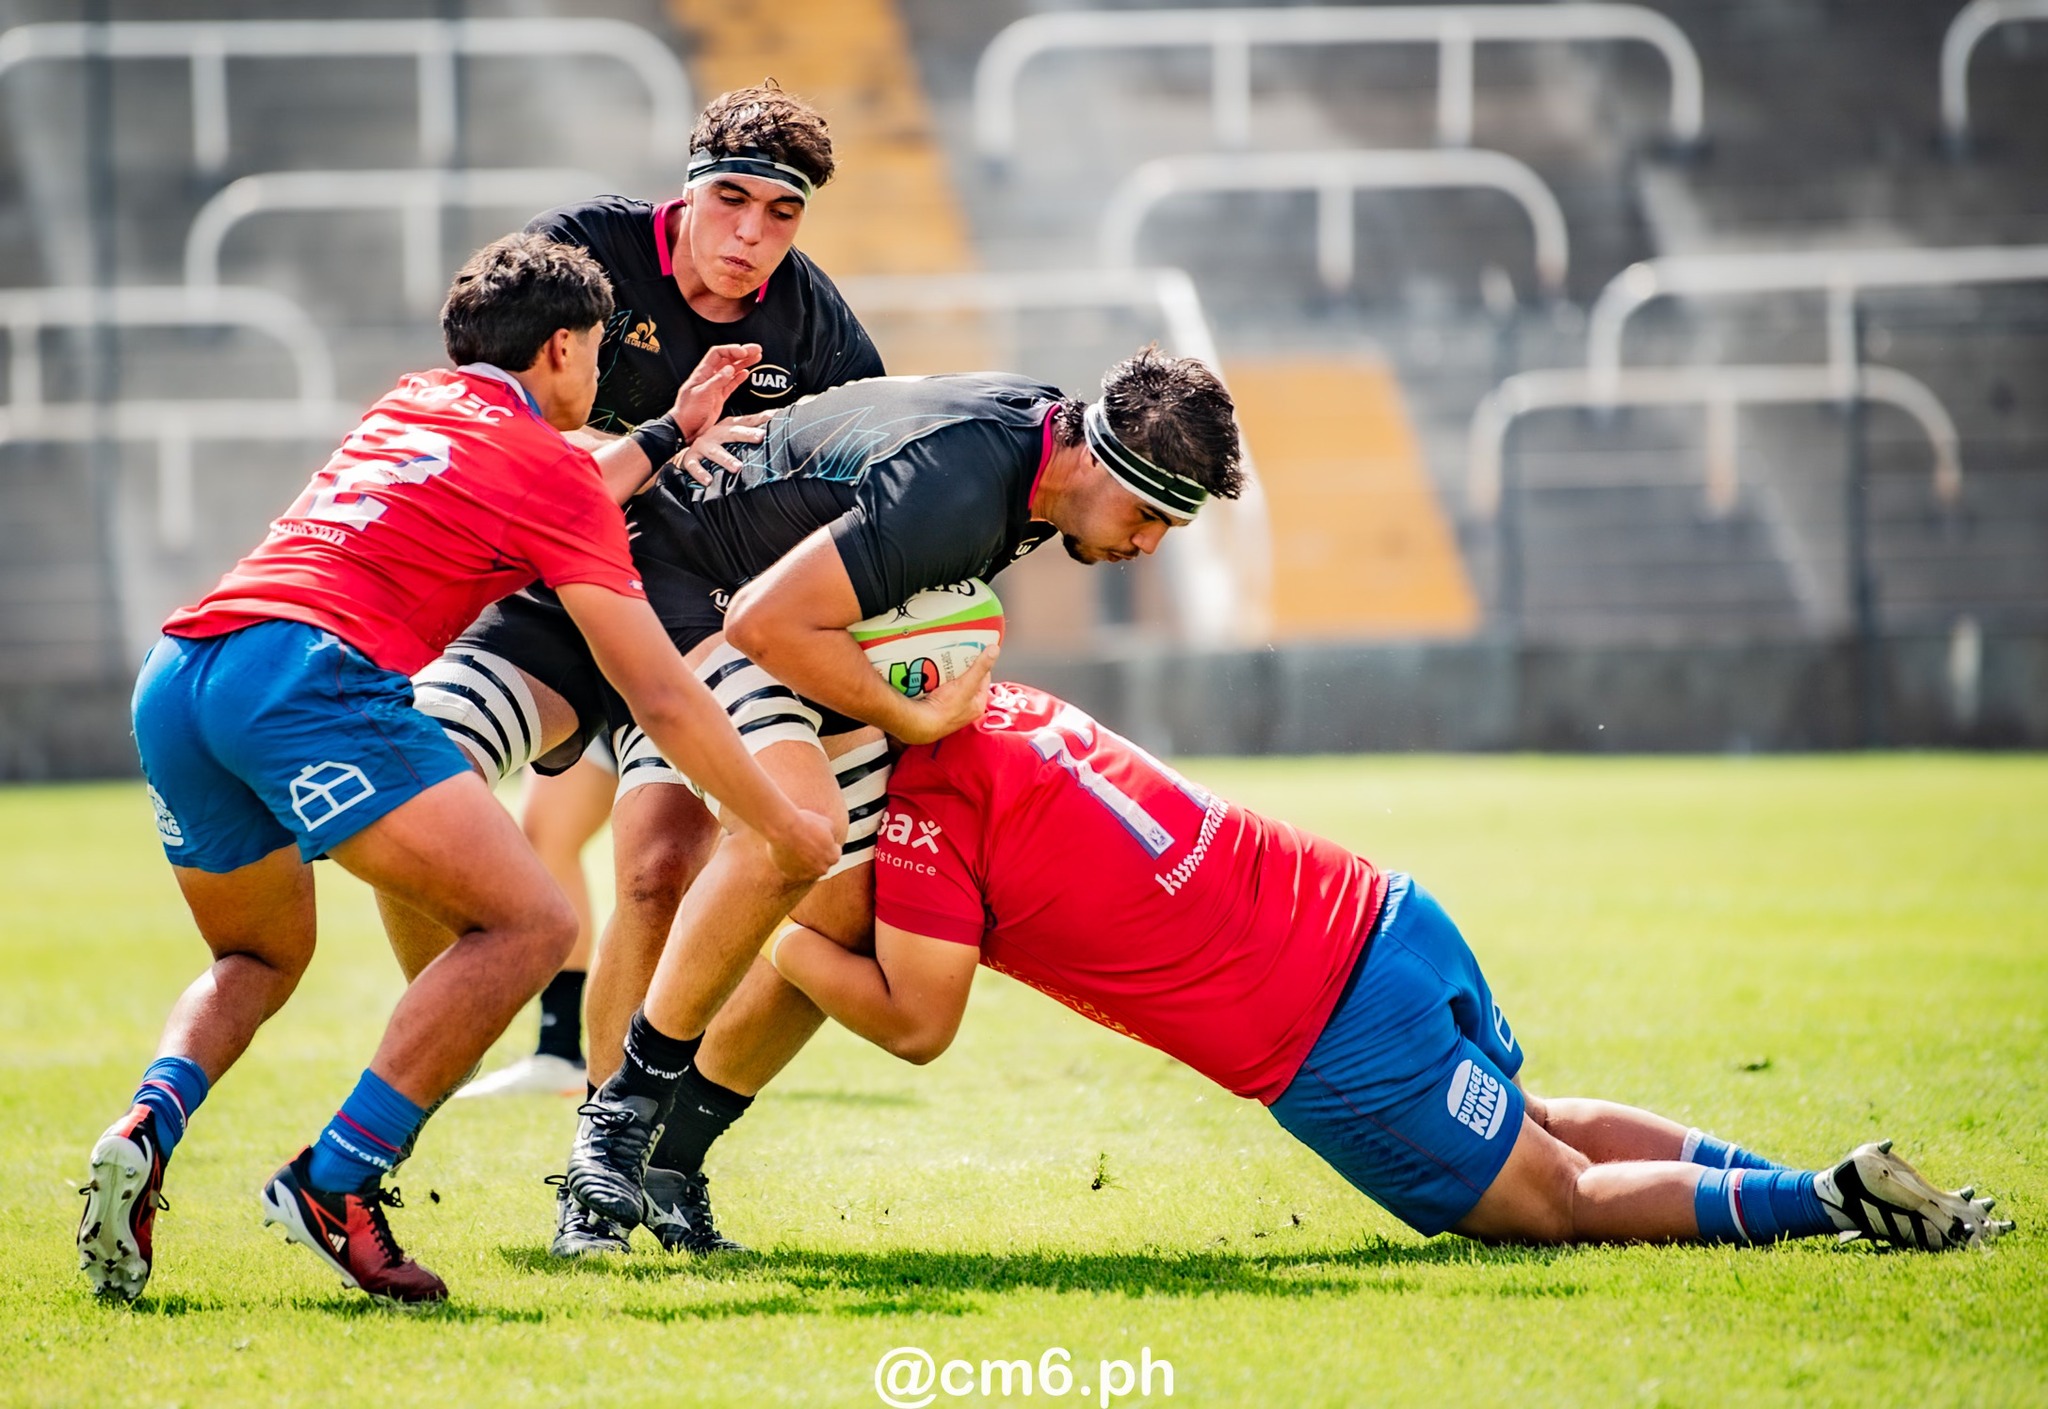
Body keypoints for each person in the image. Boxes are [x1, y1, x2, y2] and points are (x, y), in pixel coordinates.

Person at [74, 234, 839, 1307]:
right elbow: (662, 692)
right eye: (598, 352)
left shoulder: (413, 403)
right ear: (565, 348)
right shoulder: (543, 469)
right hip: (306, 678)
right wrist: (781, 822)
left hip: (183, 672)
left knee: (254, 953)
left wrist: (668, 431)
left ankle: (146, 1123)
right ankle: (334, 1180)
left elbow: (557, 486)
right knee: (530, 925)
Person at [756, 683, 2011, 1255]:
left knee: (1551, 1206)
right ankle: (1861, 1186)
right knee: (1528, 1127)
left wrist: (772, 930)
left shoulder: (922, 808)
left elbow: (918, 1023)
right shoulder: (999, 698)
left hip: (1329, 1033)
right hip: (1384, 909)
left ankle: (1829, 1198)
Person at [555, 352, 1248, 1257]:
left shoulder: (1044, 444)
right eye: (1148, 514)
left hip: (802, 614)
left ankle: (667, 1165)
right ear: (1095, 458)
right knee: (797, 831)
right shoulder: (960, 487)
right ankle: (610, 1138)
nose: (1148, 544)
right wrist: (908, 714)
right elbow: (762, 621)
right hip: (691, 589)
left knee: (846, 923)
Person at [399, 82, 882, 1104]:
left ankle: (599, 1152)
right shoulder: (583, 253)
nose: (751, 234)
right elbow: (498, 428)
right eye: (732, 201)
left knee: (660, 866)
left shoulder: (823, 336)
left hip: (697, 618)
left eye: (781, 213)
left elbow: (861, 492)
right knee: (415, 765)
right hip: (561, 596)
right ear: (689, 188)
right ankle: (456, 1005)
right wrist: (662, 446)